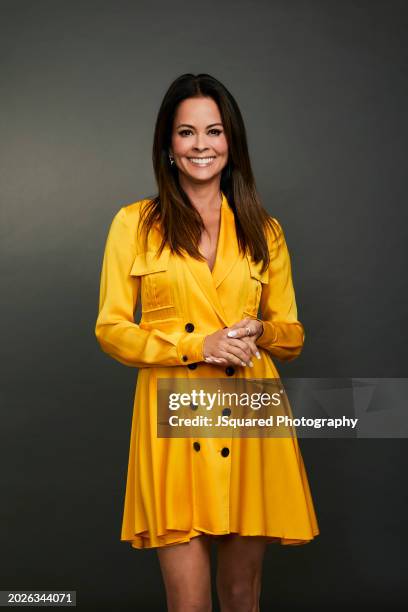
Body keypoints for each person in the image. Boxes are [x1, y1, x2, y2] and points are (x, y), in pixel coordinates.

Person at [95, 73, 319, 612]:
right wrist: (197, 347)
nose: (201, 145)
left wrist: (261, 331)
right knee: (188, 601)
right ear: (168, 145)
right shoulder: (134, 224)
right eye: (186, 133)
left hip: (249, 413)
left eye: (214, 132)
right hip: (175, 417)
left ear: (231, 142)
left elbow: (291, 336)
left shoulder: (265, 230)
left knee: (243, 595)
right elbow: (112, 328)